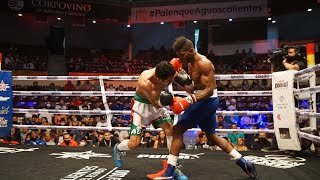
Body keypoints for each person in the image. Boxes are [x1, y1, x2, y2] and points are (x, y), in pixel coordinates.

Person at [149, 36, 257, 179]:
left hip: (207, 101)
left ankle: (170, 171)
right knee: (211, 136)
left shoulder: (204, 63)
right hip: (204, 101)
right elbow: (193, 88)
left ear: (190, 51)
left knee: (176, 131)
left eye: (181, 55)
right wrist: (179, 78)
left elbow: (210, 89)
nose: (179, 58)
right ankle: (243, 162)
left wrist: (190, 99)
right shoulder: (189, 63)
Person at [113, 61, 188, 179]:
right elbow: (157, 104)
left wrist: (183, 75)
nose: (170, 82)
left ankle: (174, 167)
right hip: (142, 107)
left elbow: (177, 67)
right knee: (134, 144)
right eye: (168, 81)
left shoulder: (168, 71)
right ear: (159, 79)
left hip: (157, 105)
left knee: (170, 131)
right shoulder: (145, 82)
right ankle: (118, 148)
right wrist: (172, 101)